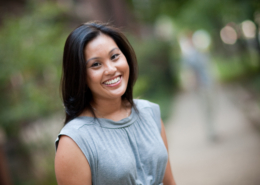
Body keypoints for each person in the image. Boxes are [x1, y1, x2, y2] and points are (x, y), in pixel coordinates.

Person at [55, 21, 176, 185]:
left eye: (114, 56)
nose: (111, 69)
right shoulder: (74, 141)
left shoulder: (150, 112)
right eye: (96, 64)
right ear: (80, 76)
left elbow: (169, 181)